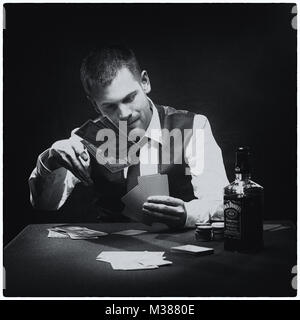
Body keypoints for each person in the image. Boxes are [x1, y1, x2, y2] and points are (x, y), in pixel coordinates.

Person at [28, 44, 229, 229]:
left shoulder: (193, 127)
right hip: (109, 255)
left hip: (182, 249)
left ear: (145, 82)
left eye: (129, 98)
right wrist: (49, 160)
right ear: (94, 105)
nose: (124, 114)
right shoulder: (87, 138)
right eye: (110, 106)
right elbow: (46, 204)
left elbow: (221, 203)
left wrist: (188, 214)